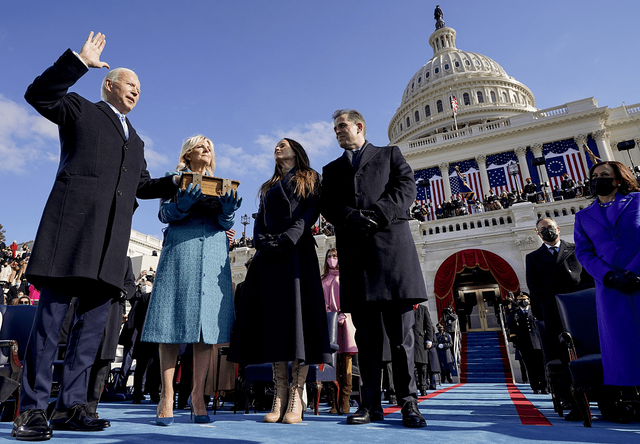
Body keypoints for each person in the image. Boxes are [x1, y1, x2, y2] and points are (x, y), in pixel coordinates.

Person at [11, 32, 179, 441]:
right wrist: (78, 62)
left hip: (109, 247)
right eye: (130, 83)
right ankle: (31, 410)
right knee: (50, 326)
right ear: (109, 84)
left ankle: (72, 407)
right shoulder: (79, 109)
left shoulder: (136, 139)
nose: (137, 90)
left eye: (140, 87)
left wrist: (176, 182)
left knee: (89, 334)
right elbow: (38, 94)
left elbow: (140, 185)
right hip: (70, 235)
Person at [320, 109, 428, 428]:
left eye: (342, 126)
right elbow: (327, 204)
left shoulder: (389, 154)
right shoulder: (332, 168)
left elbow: (405, 189)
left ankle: (409, 403)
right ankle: (370, 405)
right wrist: (350, 217)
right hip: (357, 260)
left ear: (359, 126)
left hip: (393, 255)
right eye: (335, 128)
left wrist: (378, 214)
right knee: (367, 342)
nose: (338, 131)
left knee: (400, 339)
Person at [229, 138, 331, 425]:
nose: (278, 147)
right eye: (276, 145)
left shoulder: (310, 178)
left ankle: (296, 395)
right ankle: (280, 392)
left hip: (296, 253)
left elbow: (311, 211)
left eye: (283, 144)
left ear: (295, 151)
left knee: (297, 322)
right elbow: (260, 217)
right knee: (274, 324)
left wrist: (289, 237)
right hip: (270, 257)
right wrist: (261, 240)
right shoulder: (268, 186)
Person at [141, 135, 241, 426]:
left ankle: (198, 396)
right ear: (187, 155)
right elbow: (163, 214)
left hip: (212, 252)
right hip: (180, 249)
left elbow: (225, 224)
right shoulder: (175, 181)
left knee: (205, 327)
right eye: (200, 146)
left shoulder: (222, 184)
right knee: (170, 322)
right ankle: (166, 394)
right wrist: (181, 206)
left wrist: (228, 212)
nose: (207, 149)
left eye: (210, 146)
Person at [573, 161, 640, 388]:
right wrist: (609, 276)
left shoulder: (638, 200)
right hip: (612, 289)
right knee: (623, 344)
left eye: (604, 175)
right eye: (594, 176)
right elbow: (584, 253)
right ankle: (630, 395)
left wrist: (632, 271)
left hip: (638, 279)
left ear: (618, 179)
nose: (597, 179)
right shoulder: (583, 217)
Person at [321, 248, 357, 414]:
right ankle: (334, 402)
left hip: (345, 321)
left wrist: (343, 312)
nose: (332, 259)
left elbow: (350, 297)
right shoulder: (322, 279)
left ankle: (345, 400)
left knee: (346, 361)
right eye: (329, 256)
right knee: (332, 363)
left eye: (335, 256)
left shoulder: (345, 276)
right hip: (329, 323)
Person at [508, 293, 547, 394]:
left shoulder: (535, 311)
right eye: (520, 300)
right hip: (524, 344)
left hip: (537, 342)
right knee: (530, 366)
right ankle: (535, 387)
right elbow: (512, 329)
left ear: (528, 300)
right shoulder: (514, 313)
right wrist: (515, 343)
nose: (523, 302)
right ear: (517, 302)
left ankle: (544, 386)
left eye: (525, 299)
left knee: (541, 366)